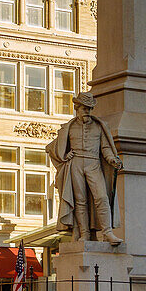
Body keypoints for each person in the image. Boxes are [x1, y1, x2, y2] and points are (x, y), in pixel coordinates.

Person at [46, 92, 123, 245]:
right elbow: (53, 148)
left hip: (93, 163)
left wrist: (112, 159)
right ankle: (84, 233)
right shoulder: (68, 128)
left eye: (89, 109)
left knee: (102, 197)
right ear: (77, 108)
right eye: (84, 109)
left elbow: (105, 148)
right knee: (80, 201)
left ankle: (107, 232)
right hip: (76, 164)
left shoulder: (99, 127)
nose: (87, 112)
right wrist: (64, 155)